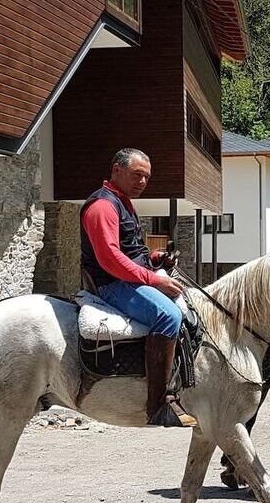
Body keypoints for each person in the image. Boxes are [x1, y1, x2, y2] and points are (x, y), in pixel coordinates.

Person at [81, 148, 195, 428]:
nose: (142, 182)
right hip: (111, 284)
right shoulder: (102, 206)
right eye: (136, 175)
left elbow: (130, 251)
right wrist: (154, 278)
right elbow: (110, 259)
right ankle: (157, 405)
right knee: (168, 315)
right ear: (116, 171)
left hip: (127, 277)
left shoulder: (123, 202)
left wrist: (155, 259)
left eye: (146, 177)